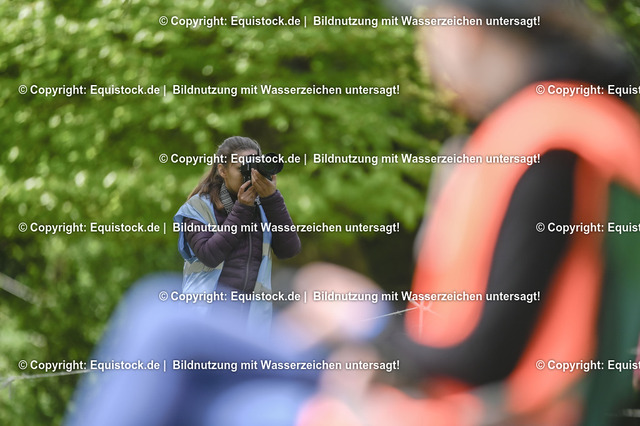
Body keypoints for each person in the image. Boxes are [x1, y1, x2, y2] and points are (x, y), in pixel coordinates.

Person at [174, 136, 301, 334]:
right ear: (222, 170)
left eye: (255, 167)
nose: (250, 175)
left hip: (251, 324)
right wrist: (242, 209)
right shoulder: (198, 207)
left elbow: (289, 250)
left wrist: (272, 199)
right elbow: (209, 255)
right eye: (242, 168)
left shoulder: (264, 206)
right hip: (205, 320)